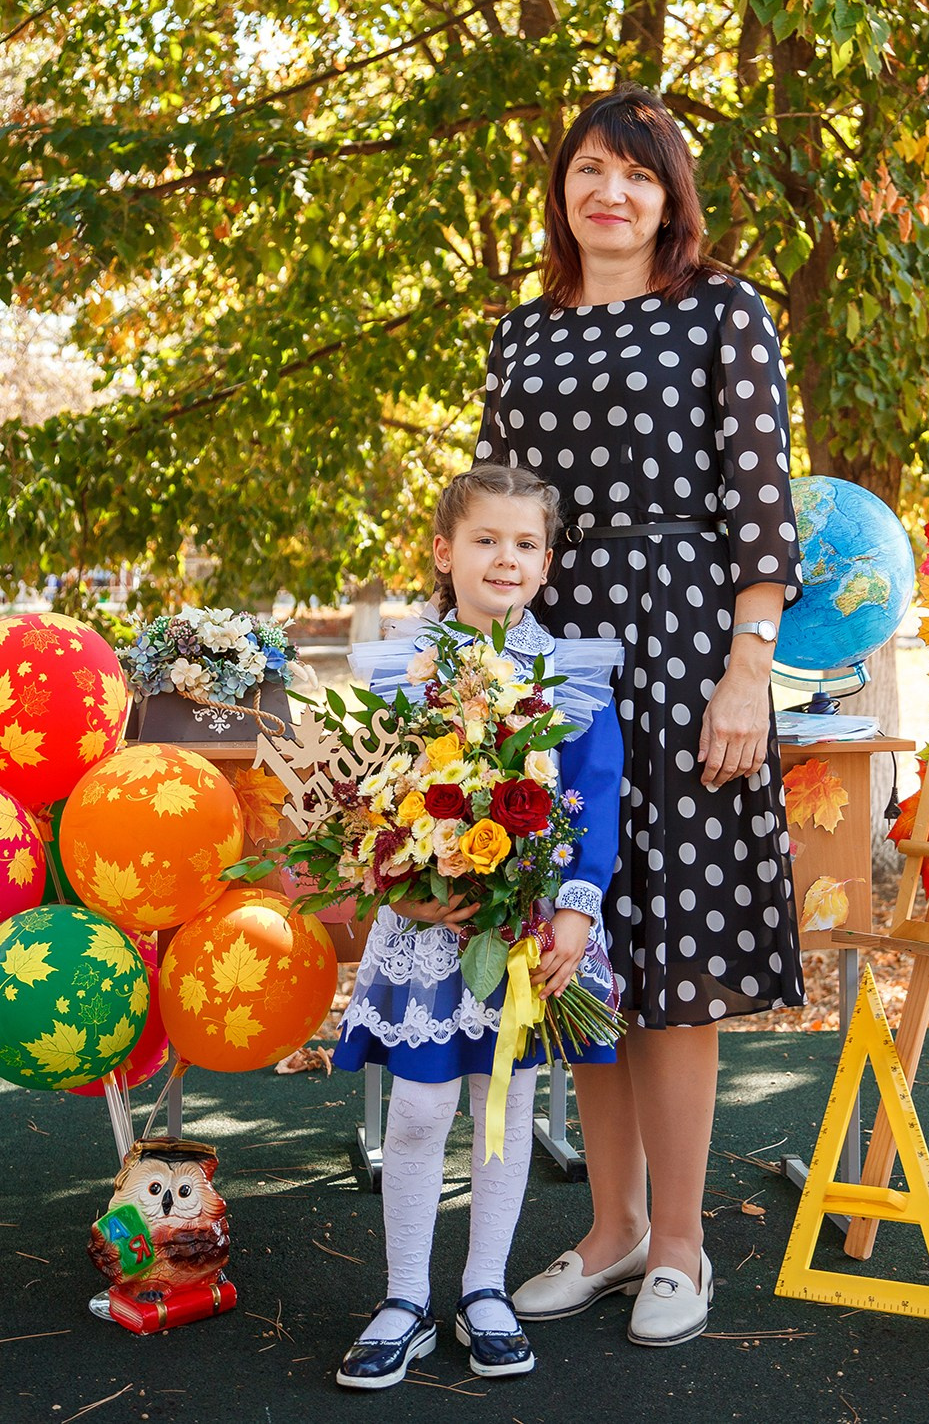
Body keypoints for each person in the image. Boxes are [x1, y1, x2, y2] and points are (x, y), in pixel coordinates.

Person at [475, 84, 803, 1348]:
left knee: (674, 960)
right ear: (562, 194)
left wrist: (746, 666)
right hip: (556, 656)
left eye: (636, 174)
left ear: (670, 199)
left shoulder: (719, 311)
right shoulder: (521, 334)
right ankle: (607, 1231)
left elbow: (758, 500)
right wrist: (481, 676)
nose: (608, 194)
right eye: (587, 173)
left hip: (681, 644)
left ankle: (680, 1242)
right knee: (579, 944)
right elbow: (494, 506)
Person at [332, 464, 623, 1389]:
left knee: (504, 1109)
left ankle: (484, 1289)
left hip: (528, 934)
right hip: (430, 928)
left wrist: (575, 909)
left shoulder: (568, 669)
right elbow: (366, 805)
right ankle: (404, 1296)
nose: (507, 557)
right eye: (486, 539)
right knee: (420, 1109)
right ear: (443, 550)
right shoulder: (401, 671)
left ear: (546, 559)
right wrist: (399, 885)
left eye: (526, 543)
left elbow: (599, 796)